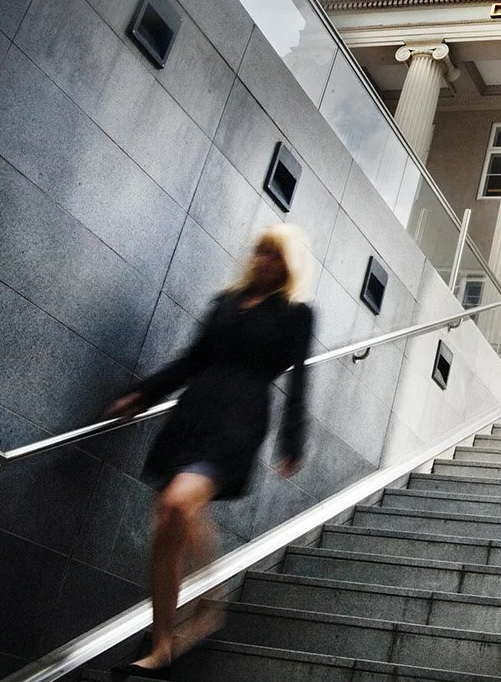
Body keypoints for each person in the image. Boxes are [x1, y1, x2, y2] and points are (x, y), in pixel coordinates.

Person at [104, 224, 315, 679]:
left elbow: (300, 379)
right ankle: (166, 641)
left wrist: (293, 440)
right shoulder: (225, 302)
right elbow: (190, 361)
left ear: (287, 265)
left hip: (240, 420)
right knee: (169, 520)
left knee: (176, 503)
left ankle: (200, 611)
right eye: (260, 251)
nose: (263, 260)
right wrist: (142, 394)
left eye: (274, 255)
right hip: (193, 415)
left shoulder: (296, 314)